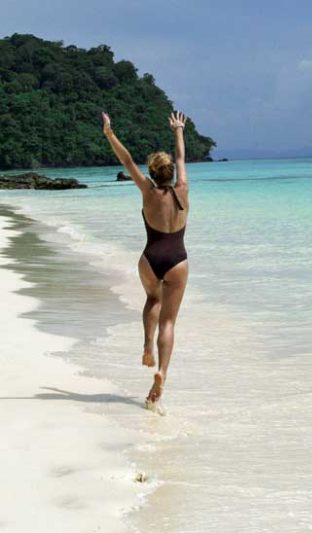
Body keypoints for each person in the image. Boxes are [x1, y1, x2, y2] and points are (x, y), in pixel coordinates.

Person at [102, 110, 190, 408]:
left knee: (153, 300)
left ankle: (146, 345)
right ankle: (162, 372)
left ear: (152, 174)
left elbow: (126, 162)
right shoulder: (183, 190)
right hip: (177, 260)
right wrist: (178, 129)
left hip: (150, 258)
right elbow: (180, 159)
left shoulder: (147, 192)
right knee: (170, 322)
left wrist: (110, 134)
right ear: (170, 174)